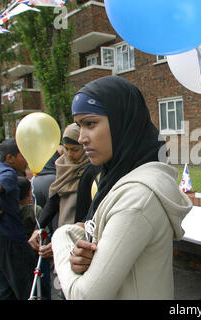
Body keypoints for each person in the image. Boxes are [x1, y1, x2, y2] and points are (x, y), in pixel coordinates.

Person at [51, 75, 192, 299]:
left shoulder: (137, 199)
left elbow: (84, 295)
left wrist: (60, 237)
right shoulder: (116, 179)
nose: (81, 138)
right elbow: (96, 231)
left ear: (122, 121)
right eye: (79, 126)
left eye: (90, 124)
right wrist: (83, 249)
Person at [28, 123, 100, 299]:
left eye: (74, 149)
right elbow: (54, 200)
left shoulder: (92, 172)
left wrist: (64, 241)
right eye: (66, 149)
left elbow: (90, 214)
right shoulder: (62, 166)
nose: (69, 155)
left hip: (81, 239)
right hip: (61, 234)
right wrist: (39, 227)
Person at [0, 139, 37, 299]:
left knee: (3, 291)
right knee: (26, 289)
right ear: (10, 158)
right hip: (8, 236)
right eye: (23, 155)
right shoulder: (7, 173)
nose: (27, 160)